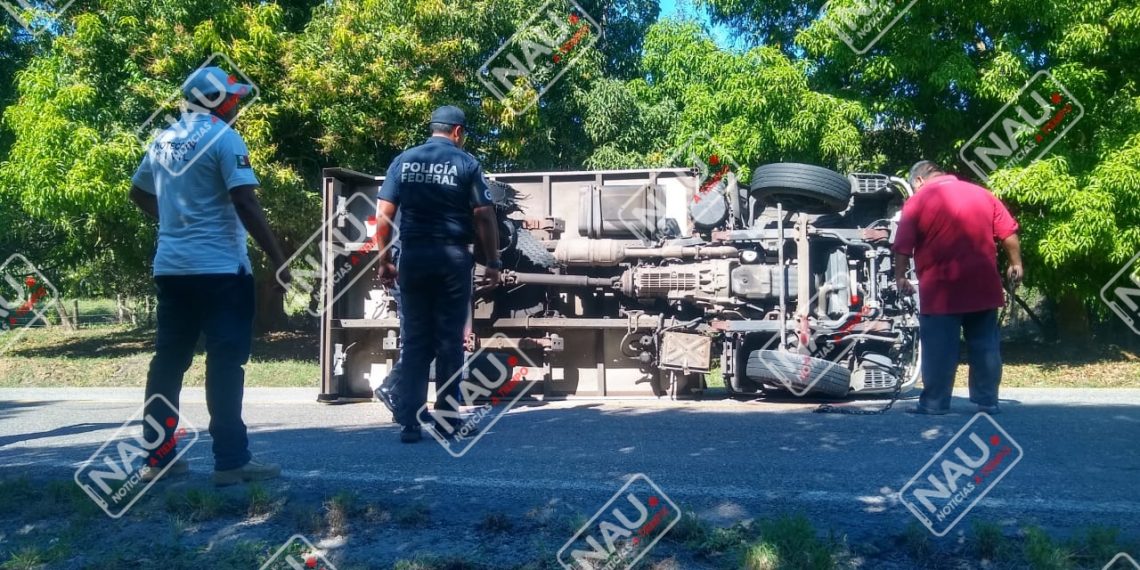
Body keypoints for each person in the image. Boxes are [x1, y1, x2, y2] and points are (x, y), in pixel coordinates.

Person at [129, 66, 289, 484]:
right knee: (225, 363)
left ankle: (157, 459)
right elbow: (245, 201)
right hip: (221, 271)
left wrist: (177, 220)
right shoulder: (223, 137)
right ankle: (231, 462)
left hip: (172, 269)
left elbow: (138, 192)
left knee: (168, 362)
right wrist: (278, 257)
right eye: (232, 98)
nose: (237, 105)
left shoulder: (162, 139)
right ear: (218, 101)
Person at [373, 105, 501, 443]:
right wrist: (493, 262)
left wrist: (385, 260)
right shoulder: (466, 163)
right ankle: (446, 420)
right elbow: (485, 216)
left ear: (434, 129)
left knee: (415, 341)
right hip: (452, 259)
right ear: (457, 132)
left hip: (412, 257)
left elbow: (384, 216)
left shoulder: (403, 161)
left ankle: (410, 423)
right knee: (449, 342)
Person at [893, 160, 1023, 415]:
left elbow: (902, 245)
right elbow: (1008, 233)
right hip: (983, 286)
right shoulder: (983, 194)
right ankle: (987, 401)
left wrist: (900, 277)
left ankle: (934, 404)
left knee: (940, 348)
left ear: (919, 180)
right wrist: (1015, 264)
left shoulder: (918, 201)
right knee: (985, 345)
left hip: (942, 290)